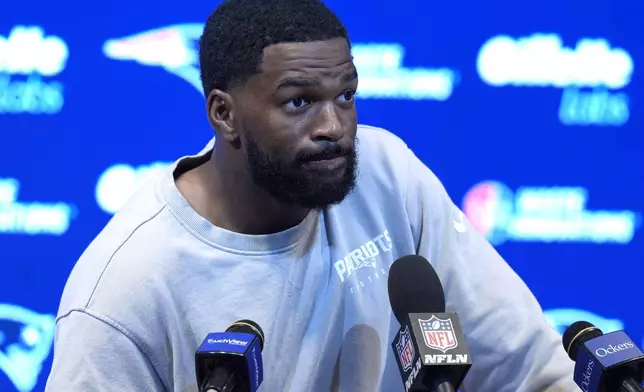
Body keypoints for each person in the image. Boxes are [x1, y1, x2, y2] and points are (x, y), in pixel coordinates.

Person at [45, 0, 577, 391]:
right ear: (223, 114)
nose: (333, 126)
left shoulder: (386, 173)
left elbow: (531, 370)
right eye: (298, 102)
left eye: (345, 95)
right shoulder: (123, 292)